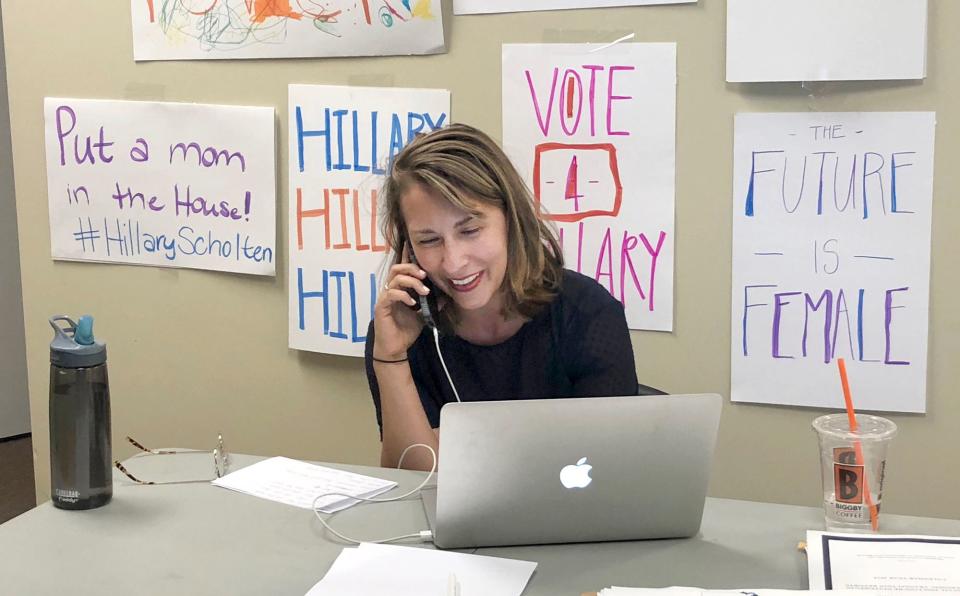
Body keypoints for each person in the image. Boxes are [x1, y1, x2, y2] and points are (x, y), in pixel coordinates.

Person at [365, 123, 638, 471]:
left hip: (574, 523)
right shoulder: (401, 329)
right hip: (449, 525)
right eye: (429, 240)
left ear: (511, 218)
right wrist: (390, 360)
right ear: (408, 249)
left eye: (470, 230)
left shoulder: (587, 313)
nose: (454, 262)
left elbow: (611, 471)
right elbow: (416, 481)